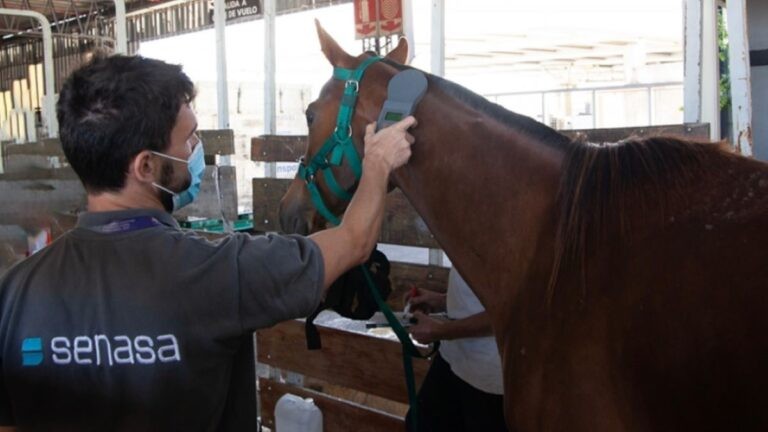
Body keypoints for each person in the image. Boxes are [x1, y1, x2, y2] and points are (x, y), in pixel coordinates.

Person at [0, 54, 416, 431]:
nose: (197, 151)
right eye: (189, 141)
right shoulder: (216, 271)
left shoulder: (17, 290)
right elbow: (354, 241)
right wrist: (378, 162)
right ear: (146, 166)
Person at [406, 267, 508, 432]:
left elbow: (514, 310)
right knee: (419, 424)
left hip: (489, 374)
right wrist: (443, 301)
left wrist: (440, 331)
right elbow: (483, 293)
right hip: (454, 357)